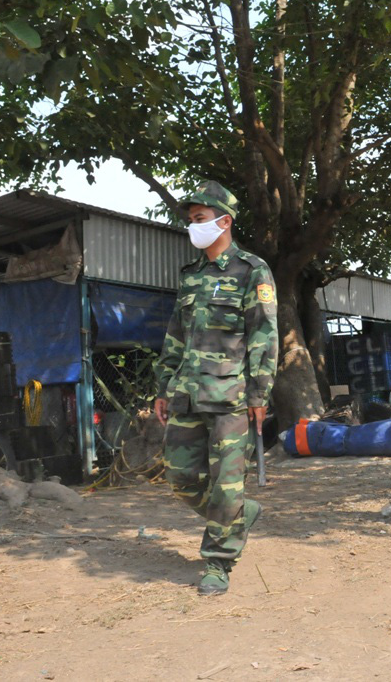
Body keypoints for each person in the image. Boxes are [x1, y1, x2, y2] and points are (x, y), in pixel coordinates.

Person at [153, 181, 278, 596]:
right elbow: (175, 335)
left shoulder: (252, 270)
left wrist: (260, 395)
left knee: (226, 483)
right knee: (180, 477)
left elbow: (264, 336)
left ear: (224, 221)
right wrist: (162, 386)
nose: (193, 225)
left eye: (200, 218)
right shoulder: (192, 276)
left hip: (231, 396)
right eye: (190, 220)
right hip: (187, 392)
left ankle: (218, 562)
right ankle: (239, 515)